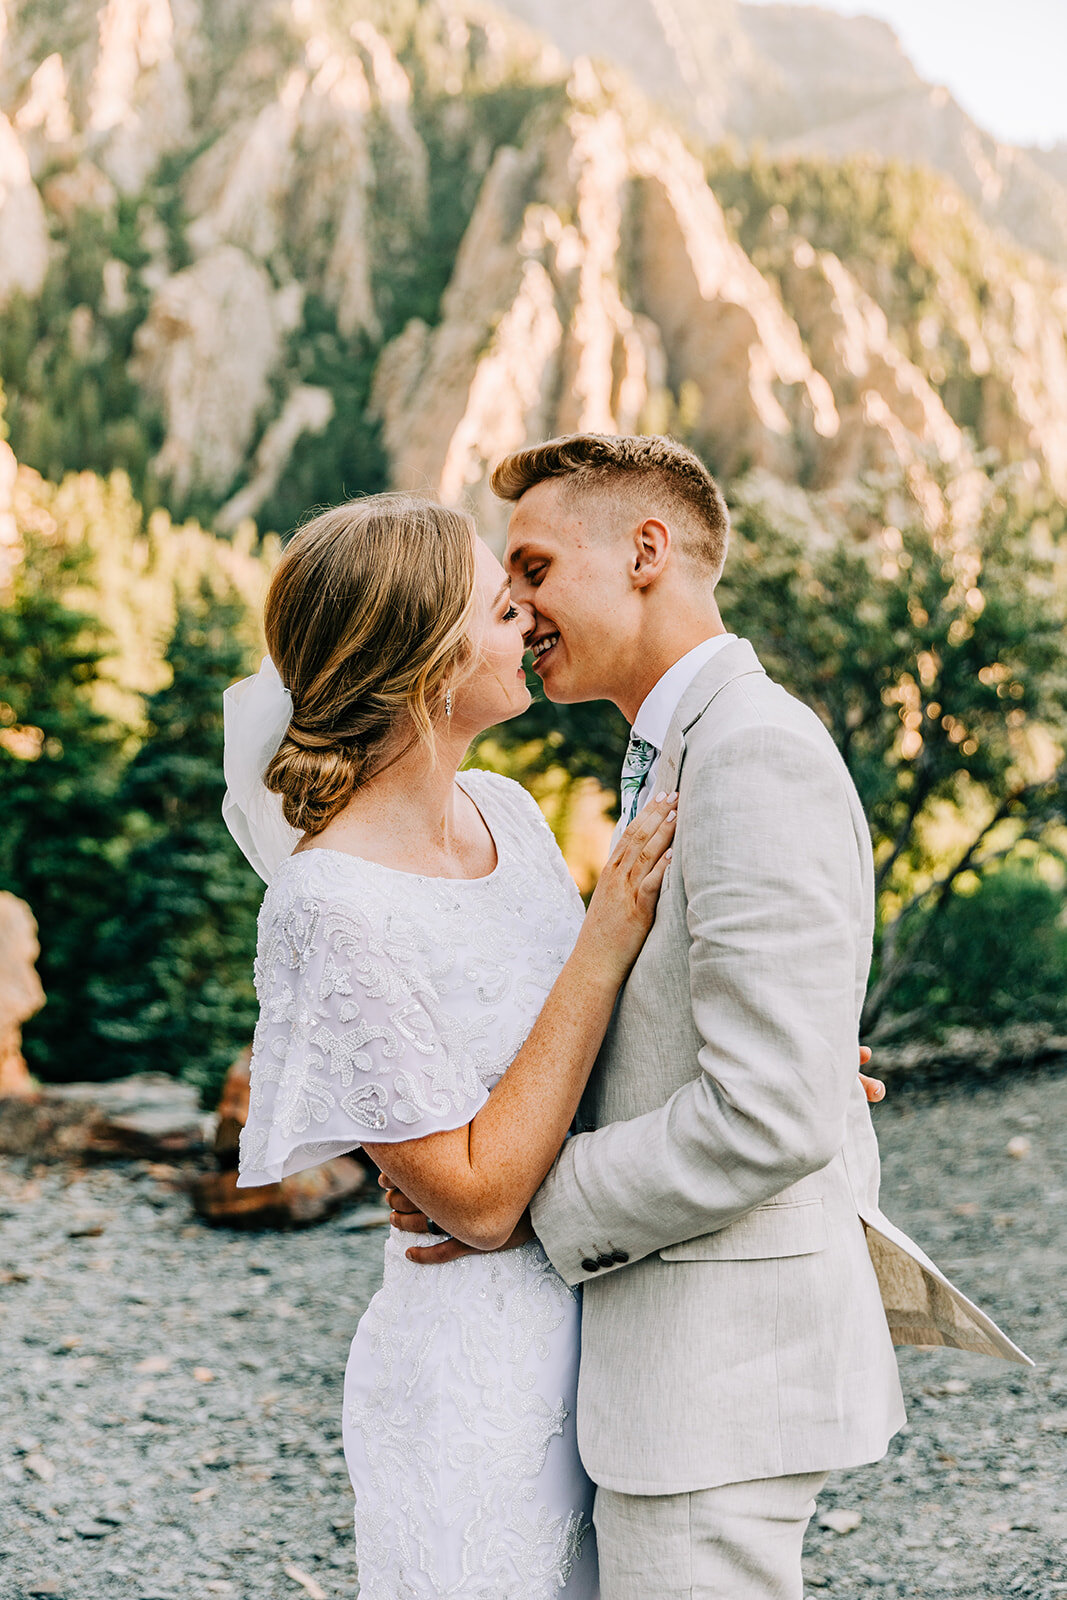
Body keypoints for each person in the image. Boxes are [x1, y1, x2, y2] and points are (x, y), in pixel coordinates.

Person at [389, 433, 1030, 1600]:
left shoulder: (750, 750)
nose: (517, 606)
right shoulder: (683, 745)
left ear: (646, 550)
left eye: (531, 567)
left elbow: (770, 1111)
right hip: (680, 1365)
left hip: (715, 1374)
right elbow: (745, 1051)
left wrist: (520, 1200)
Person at [222, 488, 886, 1600]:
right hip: (476, 1371)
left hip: (618, 1329)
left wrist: (790, 1054)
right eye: (497, 606)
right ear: (426, 662)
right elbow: (477, 1200)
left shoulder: (507, 813)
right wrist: (461, 1166)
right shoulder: (327, 903)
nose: (526, 620)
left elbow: (570, 1052)